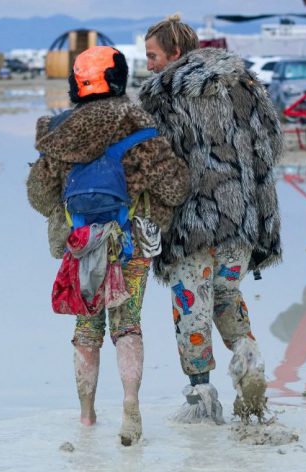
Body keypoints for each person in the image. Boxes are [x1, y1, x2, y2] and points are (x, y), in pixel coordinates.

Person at [27, 46, 190, 445]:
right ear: (117, 79)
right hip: (131, 242)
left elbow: (38, 195)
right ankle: (131, 405)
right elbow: (175, 186)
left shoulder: (59, 130)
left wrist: (72, 218)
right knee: (128, 323)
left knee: (86, 328)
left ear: (76, 83)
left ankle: (86, 417)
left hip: (80, 243)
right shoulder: (138, 124)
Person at [139, 15, 284, 423]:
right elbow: (271, 145)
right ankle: (249, 362)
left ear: (175, 53)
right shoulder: (246, 84)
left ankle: (202, 397)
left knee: (191, 308)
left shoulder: (163, 95)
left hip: (192, 223)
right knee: (226, 296)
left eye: (152, 56)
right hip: (242, 220)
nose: (148, 65)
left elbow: (156, 167)